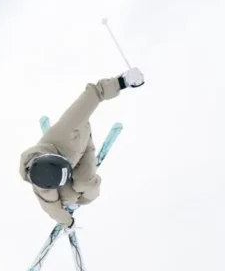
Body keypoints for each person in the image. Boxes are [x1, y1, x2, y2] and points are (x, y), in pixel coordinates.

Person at [19, 67, 145, 229]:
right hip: (64, 164)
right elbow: (51, 207)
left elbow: (94, 93)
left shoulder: (68, 127)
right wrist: (67, 221)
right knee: (67, 197)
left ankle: (81, 199)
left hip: (81, 145)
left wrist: (122, 81)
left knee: (87, 187)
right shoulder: (42, 186)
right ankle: (72, 201)